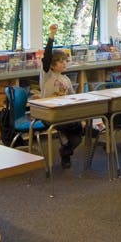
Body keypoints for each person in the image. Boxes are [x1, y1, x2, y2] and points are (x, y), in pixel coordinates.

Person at [40, 24, 85, 168]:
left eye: (65, 61)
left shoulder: (66, 80)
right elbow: (46, 57)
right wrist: (51, 35)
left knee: (77, 138)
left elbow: (73, 97)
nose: (64, 64)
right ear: (52, 65)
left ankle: (65, 152)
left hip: (64, 113)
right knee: (78, 126)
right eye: (60, 62)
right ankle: (84, 129)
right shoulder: (47, 75)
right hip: (49, 114)